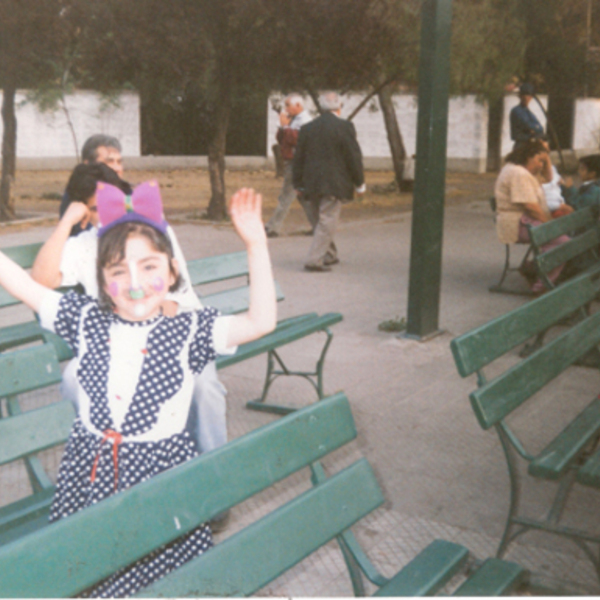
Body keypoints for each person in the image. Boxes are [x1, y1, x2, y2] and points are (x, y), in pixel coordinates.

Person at [0, 184, 276, 597]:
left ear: (172, 271)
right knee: (88, 574)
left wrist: (256, 244)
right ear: (101, 281)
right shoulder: (84, 319)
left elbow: (260, 322)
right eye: (117, 272)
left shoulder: (191, 329)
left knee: (165, 579)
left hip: (160, 479)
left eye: (149, 267)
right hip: (88, 474)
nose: (135, 283)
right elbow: (21, 283)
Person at [32, 165, 230, 473]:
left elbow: (174, 296)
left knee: (204, 388)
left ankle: (215, 479)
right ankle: (108, 459)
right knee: (73, 379)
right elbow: (41, 279)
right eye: (96, 208)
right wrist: (67, 222)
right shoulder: (86, 245)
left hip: (173, 333)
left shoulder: (155, 232)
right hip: (116, 345)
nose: (115, 211)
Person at [292, 91, 365, 272]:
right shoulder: (345, 127)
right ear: (339, 107)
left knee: (320, 220)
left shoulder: (308, 128)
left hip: (311, 182)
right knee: (327, 221)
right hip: (334, 182)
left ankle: (329, 254)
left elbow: (298, 158)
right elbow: (353, 157)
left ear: (322, 108)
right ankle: (314, 260)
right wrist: (360, 182)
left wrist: (297, 183)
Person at [494, 138, 572, 293]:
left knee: (563, 237)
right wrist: (550, 224)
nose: (541, 165)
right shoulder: (518, 173)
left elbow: (550, 178)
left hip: (525, 221)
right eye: (539, 160)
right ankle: (540, 286)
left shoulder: (522, 170)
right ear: (528, 156)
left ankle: (532, 267)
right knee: (563, 243)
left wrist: (545, 157)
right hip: (518, 224)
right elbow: (530, 206)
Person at [265, 94, 312, 238]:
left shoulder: (305, 120)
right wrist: (282, 126)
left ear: (298, 106)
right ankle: (318, 224)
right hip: (294, 161)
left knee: (286, 195)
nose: (286, 109)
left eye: (288, 105)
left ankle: (273, 227)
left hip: (298, 162)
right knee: (303, 196)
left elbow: (297, 140)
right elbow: (282, 140)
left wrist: (285, 126)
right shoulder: (294, 120)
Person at [59, 134, 125, 228]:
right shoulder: (78, 198)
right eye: (109, 161)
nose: (117, 168)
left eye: (119, 162)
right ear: (88, 165)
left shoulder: (129, 194)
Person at [510, 83, 544, 149]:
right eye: (525, 95)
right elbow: (528, 125)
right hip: (521, 145)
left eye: (530, 96)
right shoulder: (517, 111)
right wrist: (534, 129)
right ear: (520, 96)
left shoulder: (529, 112)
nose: (528, 98)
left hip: (531, 143)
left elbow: (540, 128)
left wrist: (535, 129)